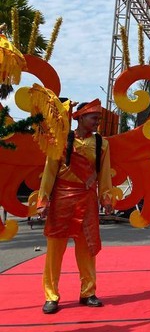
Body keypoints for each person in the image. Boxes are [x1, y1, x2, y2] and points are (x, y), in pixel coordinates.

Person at [36, 99, 113, 314]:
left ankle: (88, 292)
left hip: (87, 199)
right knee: (54, 250)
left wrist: (106, 198)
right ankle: (51, 295)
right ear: (79, 117)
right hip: (62, 198)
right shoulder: (61, 141)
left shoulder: (102, 144)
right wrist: (43, 201)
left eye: (99, 118)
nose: (97, 122)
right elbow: (50, 172)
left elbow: (104, 174)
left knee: (87, 249)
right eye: (94, 118)